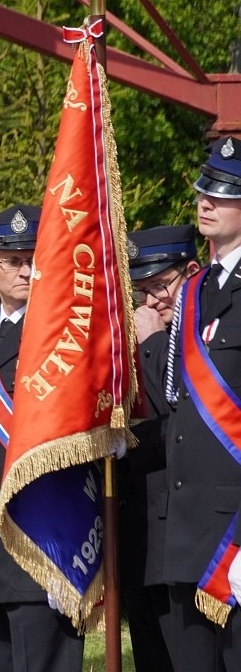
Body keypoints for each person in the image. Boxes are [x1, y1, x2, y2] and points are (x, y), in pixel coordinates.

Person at [0, 204, 84, 671]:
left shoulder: (64, 336)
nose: (27, 270)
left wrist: (69, 553)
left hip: (44, 540)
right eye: (13, 261)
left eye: (34, 257)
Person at [165, 137, 241, 669]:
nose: (206, 202)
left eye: (225, 193)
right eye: (204, 191)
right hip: (188, 528)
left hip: (234, 533)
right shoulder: (193, 292)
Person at [119, 224, 198, 672]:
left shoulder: (201, 336)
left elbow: (179, 412)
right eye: (141, 290)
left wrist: (149, 342)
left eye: (160, 286)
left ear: (190, 271)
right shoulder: (140, 337)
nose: (150, 301)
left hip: (186, 533)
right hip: (139, 529)